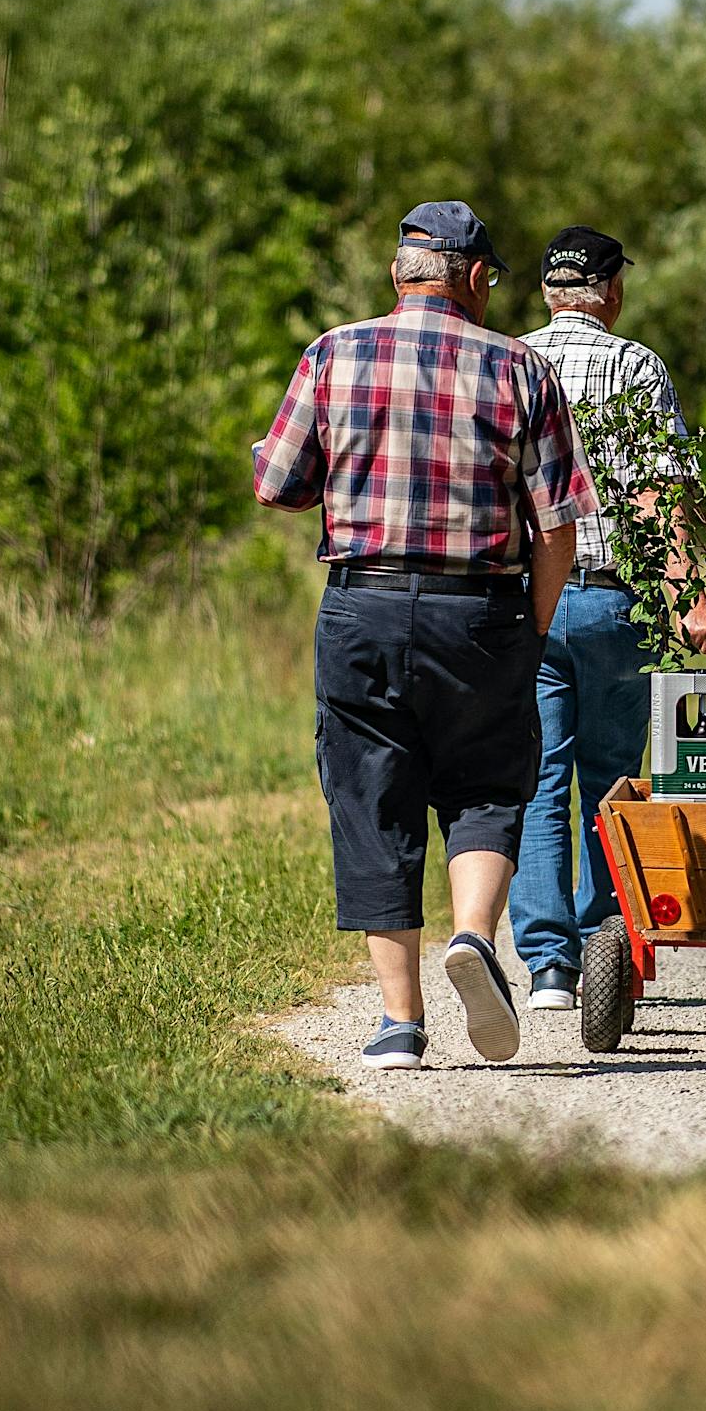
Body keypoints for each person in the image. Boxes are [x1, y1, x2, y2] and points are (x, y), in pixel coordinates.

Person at [251, 200, 596, 1070]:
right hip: (479, 609)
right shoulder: (520, 366)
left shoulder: (332, 352)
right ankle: (476, 936)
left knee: (373, 794)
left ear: (398, 275)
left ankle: (401, 1023)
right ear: (476, 278)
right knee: (487, 778)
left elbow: (280, 486)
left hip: (361, 606)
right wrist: (531, 626)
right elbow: (559, 526)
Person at [511, 226, 706, 1010]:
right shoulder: (635, 365)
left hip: (526, 598)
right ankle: (607, 939)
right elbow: (657, 490)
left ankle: (548, 967)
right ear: (610, 288)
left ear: (547, 290)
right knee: (609, 781)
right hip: (613, 599)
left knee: (539, 780)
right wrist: (690, 594)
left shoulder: (513, 361)